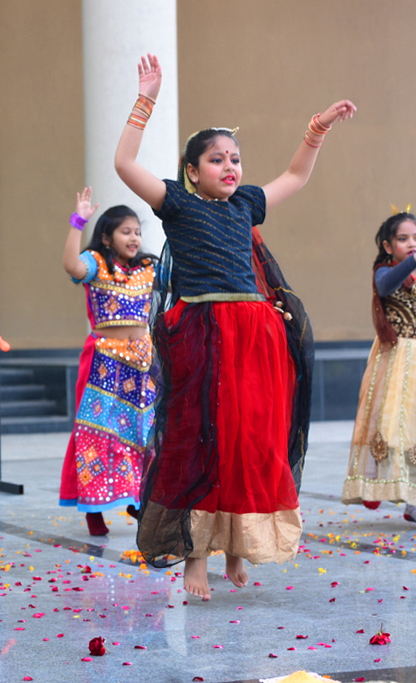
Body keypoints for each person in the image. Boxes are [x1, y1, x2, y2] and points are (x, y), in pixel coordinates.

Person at [115, 53, 354, 600]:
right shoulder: (175, 203)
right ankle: (196, 554)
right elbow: (125, 166)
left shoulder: (246, 203)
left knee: (252, 438)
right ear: (192, 170)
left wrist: (316, 131)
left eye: (236, 159)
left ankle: (239, 543)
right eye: (216, 159)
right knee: (205, 438)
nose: (230, 167)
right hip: (203, 329)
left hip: (256, 334)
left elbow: (294, 175)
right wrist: (146, 100)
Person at [58, 189, 156, 536]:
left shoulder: (148, 268)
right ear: (107, 237)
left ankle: (138, 499)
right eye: (125, 231)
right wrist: (77, 221)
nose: (134, 237)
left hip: (141, 363)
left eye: (137, 232)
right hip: (104, 363)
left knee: (142, 432)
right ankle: (93, 507)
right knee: (97, 433)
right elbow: (71, 265)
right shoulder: (96, 263)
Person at [342, 211, 416, 522]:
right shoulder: (384, 271)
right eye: (404, 239)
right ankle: (408, 497)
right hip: (396, 357)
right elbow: (385, 287)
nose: (411, 244)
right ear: (388, 246)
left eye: (415, 238)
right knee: (395, 425)